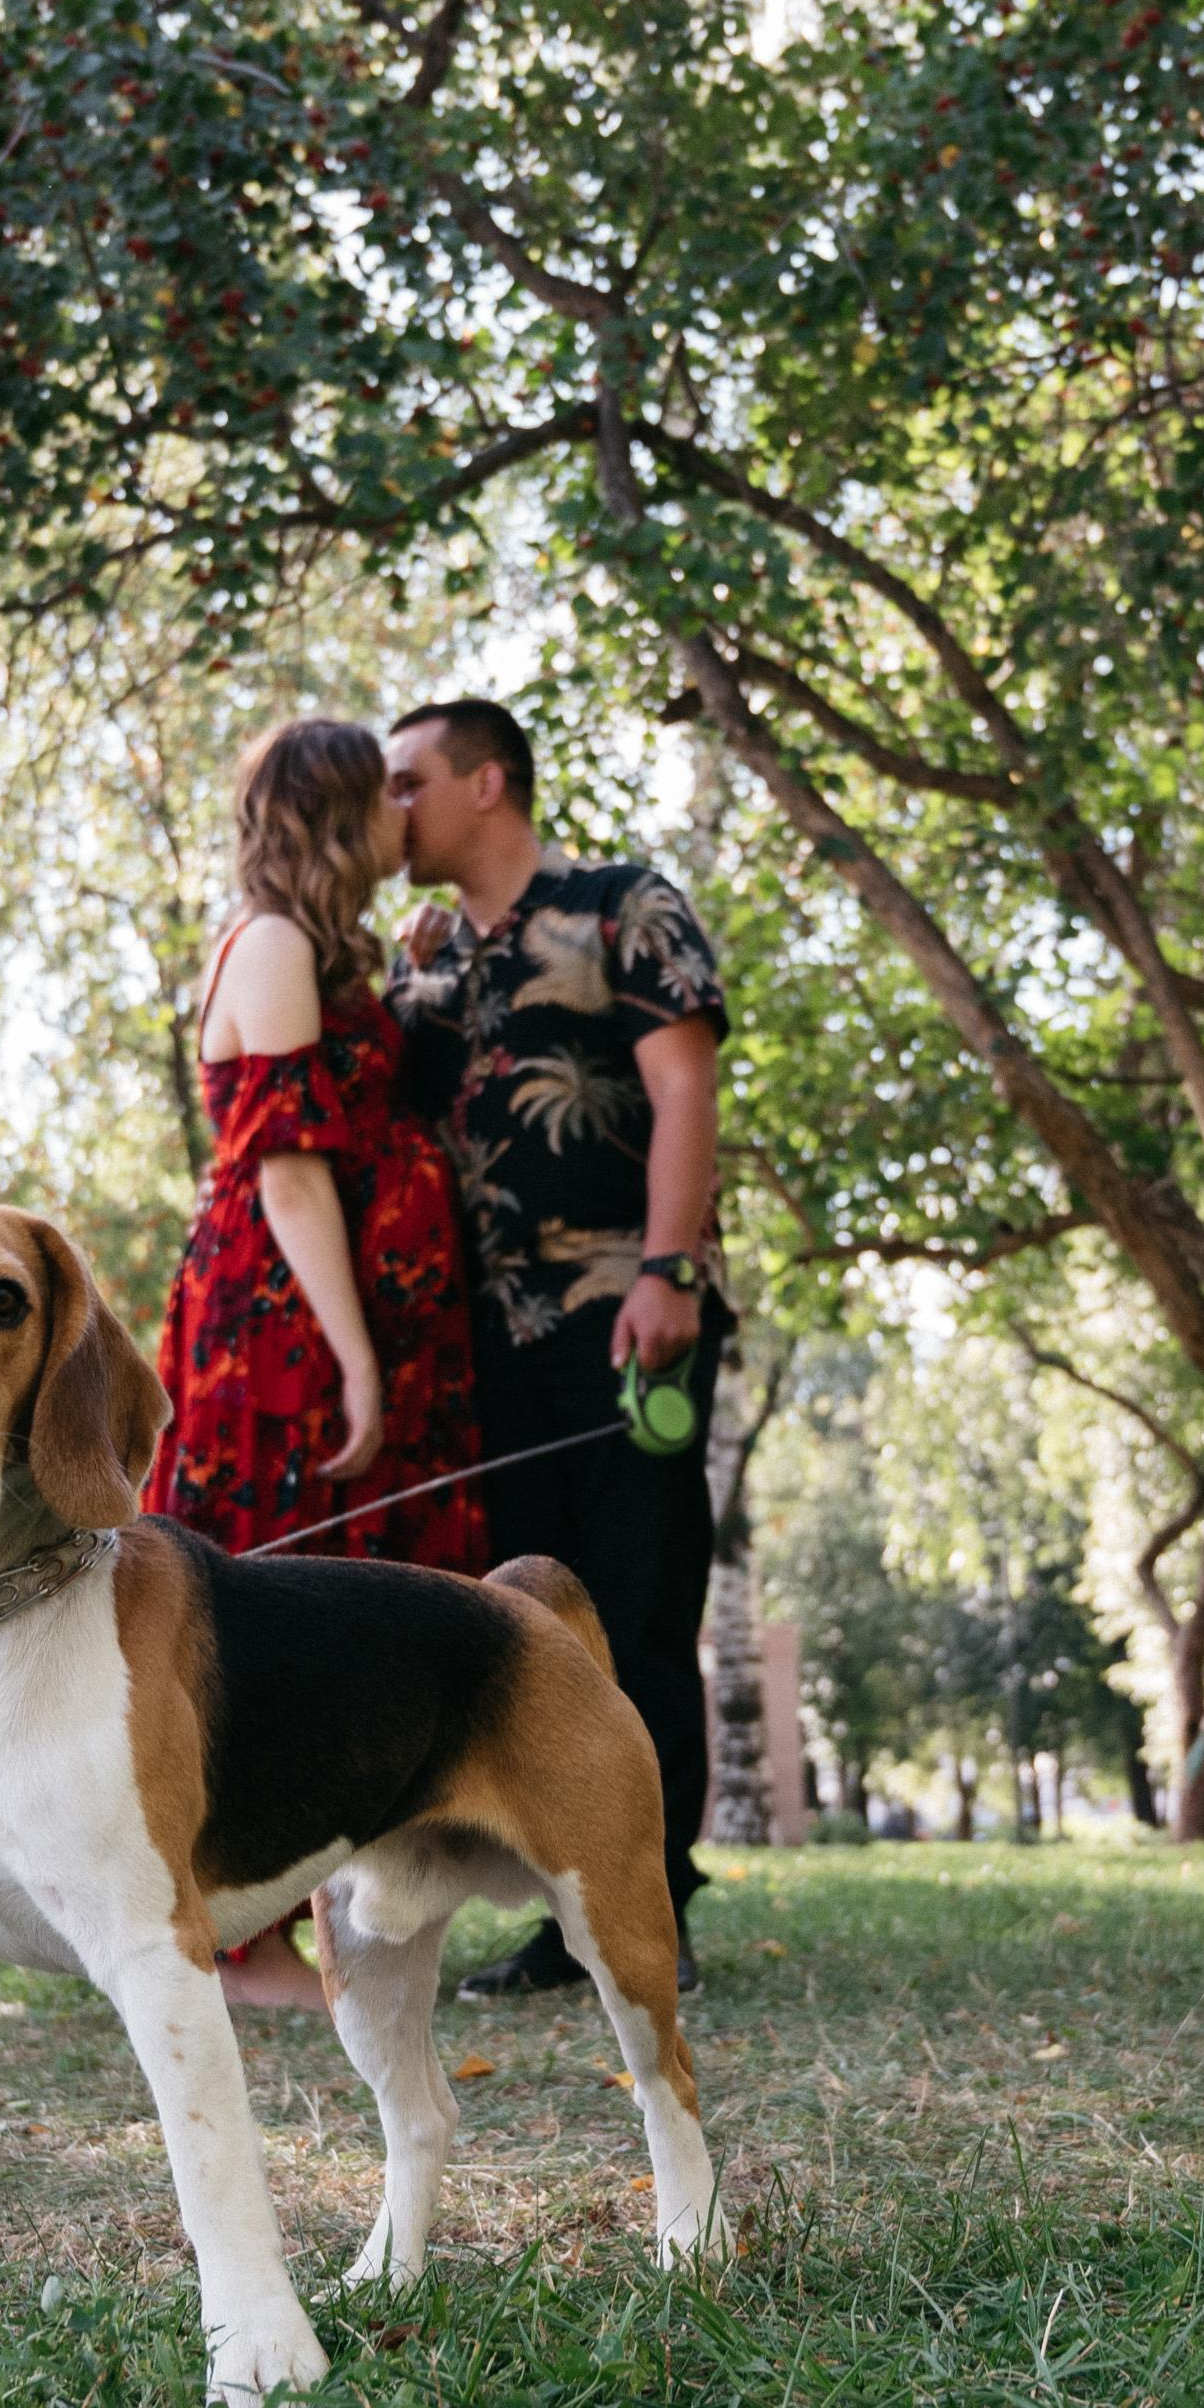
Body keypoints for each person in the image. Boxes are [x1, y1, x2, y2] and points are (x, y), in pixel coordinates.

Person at [385, 697, 728, 1998]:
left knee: (638, 1613)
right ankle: (565, 1909)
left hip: (625, 1318)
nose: (391, 807)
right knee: (532, 1630)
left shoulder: (622, 905)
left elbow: (683, 1085)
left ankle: (656, 1908)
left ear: (486, 783)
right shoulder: (422, 960)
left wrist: (667, 1271)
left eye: (408, 781)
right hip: (478, 1351)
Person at [145, 715, 488, 2009]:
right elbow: (289, 1175)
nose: (409, 814)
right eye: (386, 796)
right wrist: (354, 1358)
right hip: (281, 1325)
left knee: (352, 1595)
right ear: (342, 815)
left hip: (333, 1313)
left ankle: (338, 1919)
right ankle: (244, 1944)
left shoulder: (318, 946)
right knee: (269, 1603)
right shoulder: (276, 943)